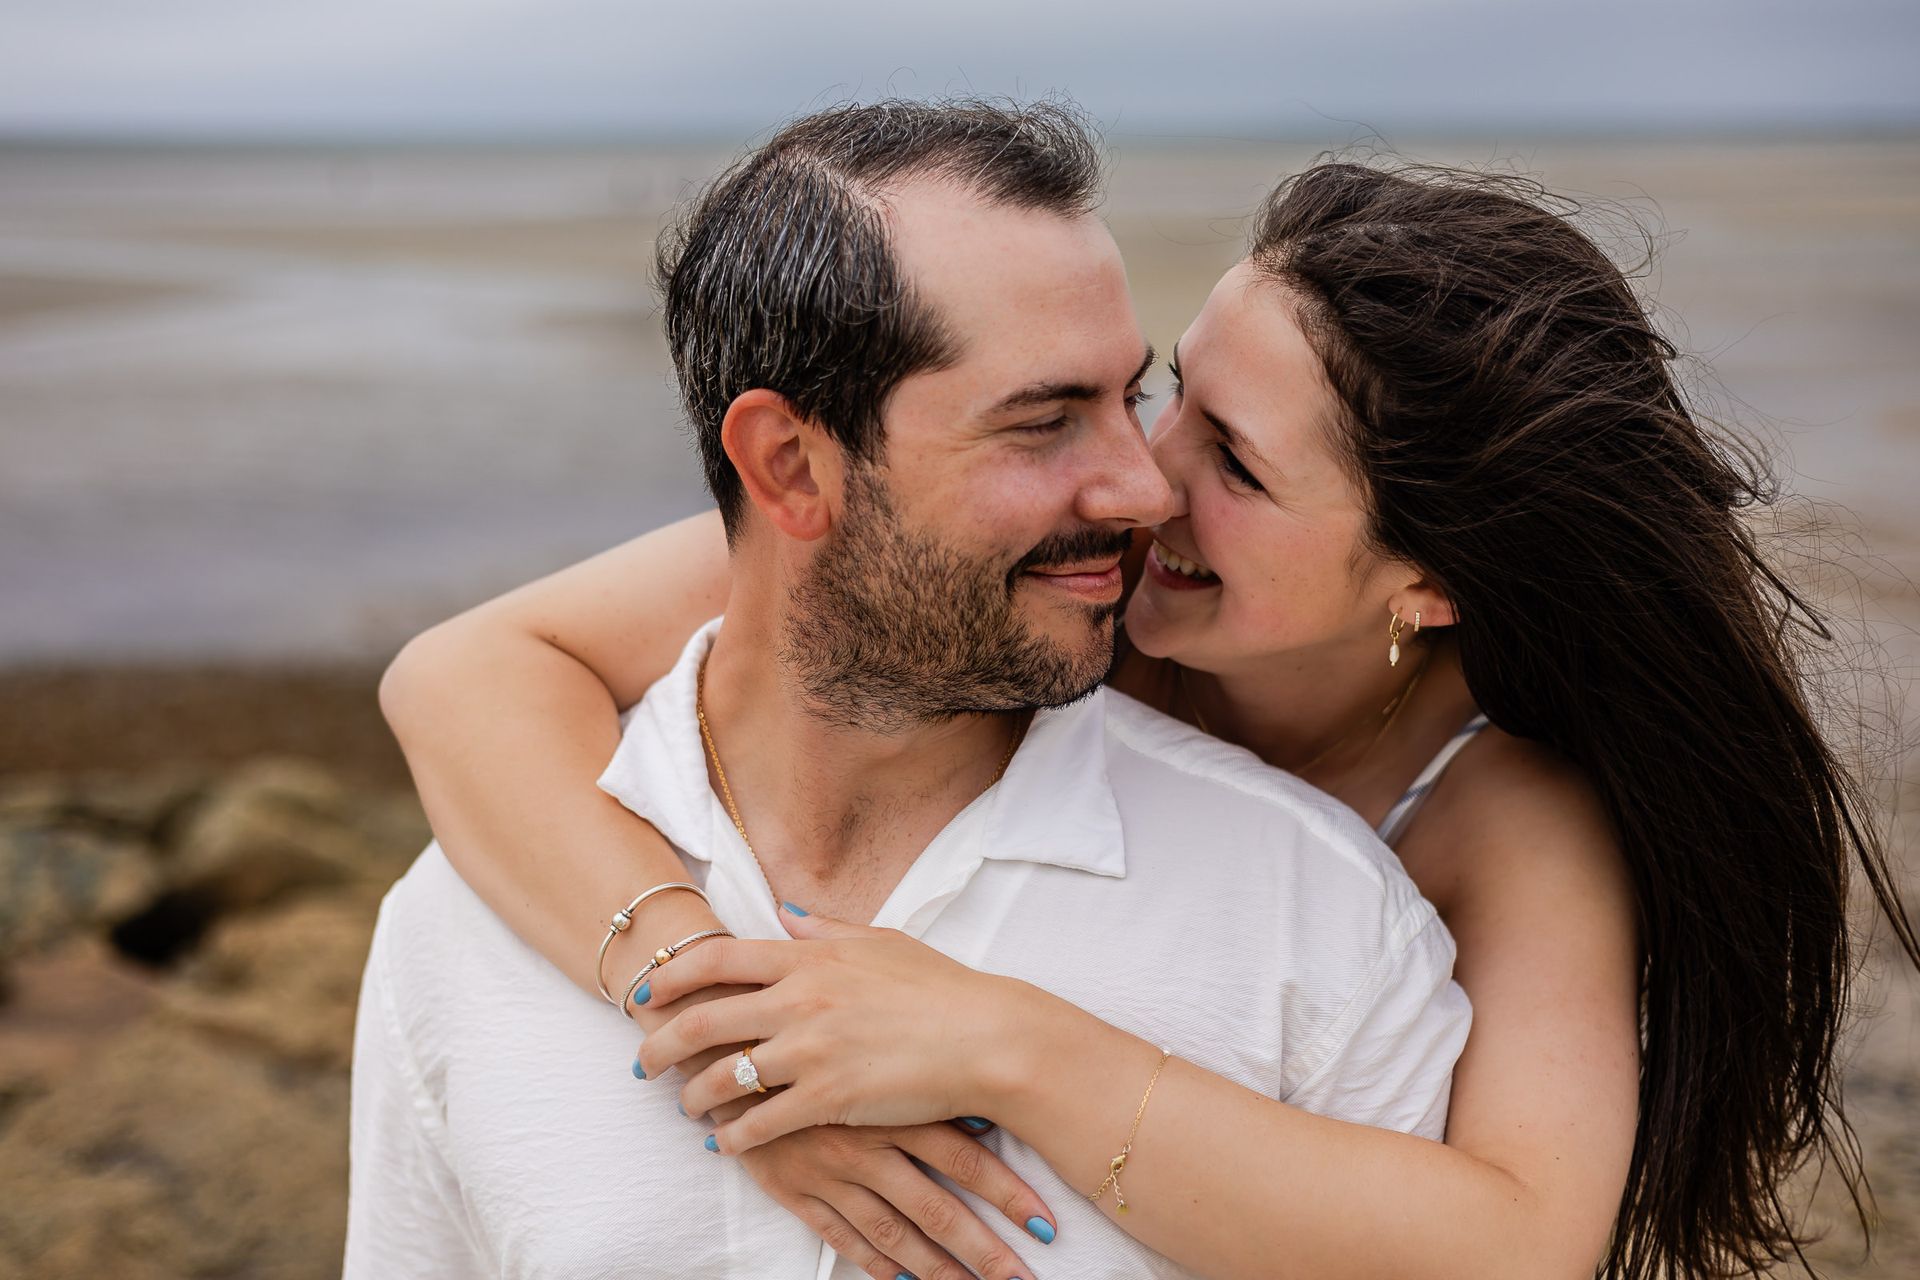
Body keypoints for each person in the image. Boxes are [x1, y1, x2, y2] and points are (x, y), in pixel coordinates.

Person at [378, 125, 1920, 1280]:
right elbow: (461, 675)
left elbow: (1517, 1243)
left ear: (1426, 585)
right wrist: (719, 1019)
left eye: (1235, 463)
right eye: (1163, 388)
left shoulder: (1499, 813)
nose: (1145, 478)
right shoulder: (1032, 595)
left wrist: (1011, 1048)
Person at [347, 100, 1473, 1280]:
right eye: (1046, 422)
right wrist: (710, 1021)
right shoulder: (465, 919)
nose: (1146, 489)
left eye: (1127, 396)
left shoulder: (1317, 921)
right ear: (791, 465)